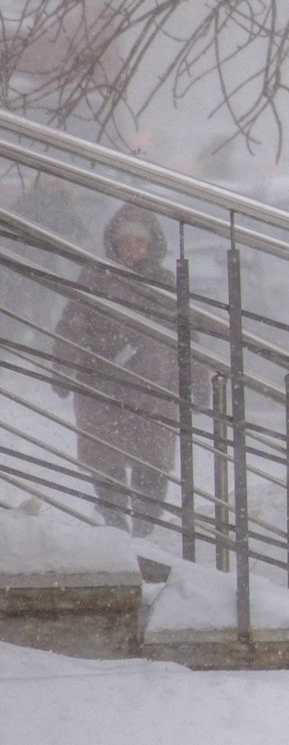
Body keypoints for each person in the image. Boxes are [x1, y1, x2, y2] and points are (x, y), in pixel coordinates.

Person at [53, 204, 175, 534]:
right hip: (101, 386)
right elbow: (72, 325)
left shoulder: (165, 284)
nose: (132, 248)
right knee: (105, 460)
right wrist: (63, 365)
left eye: (140, 241)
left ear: (152, 245)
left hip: (153, 391)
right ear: (113, 243)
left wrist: (197, 380)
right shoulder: (95, 278)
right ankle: (114, 521)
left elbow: (187, 338)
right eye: (126, 241)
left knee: (152, 462)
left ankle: (145, 529)